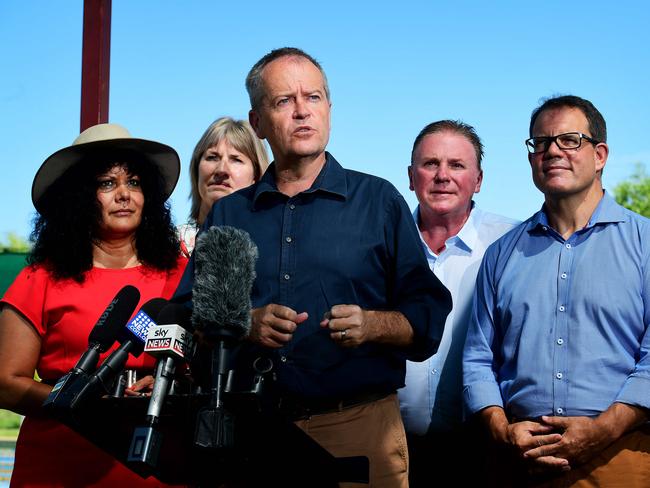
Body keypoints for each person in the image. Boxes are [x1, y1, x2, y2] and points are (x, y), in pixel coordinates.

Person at [174, 47, 451, 487]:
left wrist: (373, 324)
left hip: (358, 432)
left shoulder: (378, 202)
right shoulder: (231, 215)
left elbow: (428, 316)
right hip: (251, 436)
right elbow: (190, 317)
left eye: (314, 97)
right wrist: (242, 324)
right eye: (284, 101)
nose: (303, 111)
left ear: (330, 108)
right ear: (258, 122)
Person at [463, 95, 650, 487]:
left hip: (621, 459)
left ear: (600, 155)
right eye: (540, 142)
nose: (551, 151)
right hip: (520, 462)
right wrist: (501, 429)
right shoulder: (502, 254)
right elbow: (478, 358)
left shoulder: (644, 244)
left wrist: (603, 430)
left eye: (569, 139)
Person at [0, 123, 187, 487]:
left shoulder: (181, 274)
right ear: (79, 197)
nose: (124, 195)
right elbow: (6, 383)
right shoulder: (40, 277)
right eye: (107, 183)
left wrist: (174, 385)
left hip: (155, 467)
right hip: (59, 467)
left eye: (134, 183)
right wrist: (84, 402)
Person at [398, 120, 518, 487]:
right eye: (430, 163)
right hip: (394, 447)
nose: (442, 176)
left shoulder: (513, 242)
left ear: (478, 180)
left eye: (456, 165)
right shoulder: (383, 242)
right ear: (410, 176)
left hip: (483, 449)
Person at [178, 117, 269, 257]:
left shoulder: (271, 247)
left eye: (236, 159)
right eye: (212, 157)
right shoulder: (165, 247)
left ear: (256, 176)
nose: (221, 170)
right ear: (196, 169)